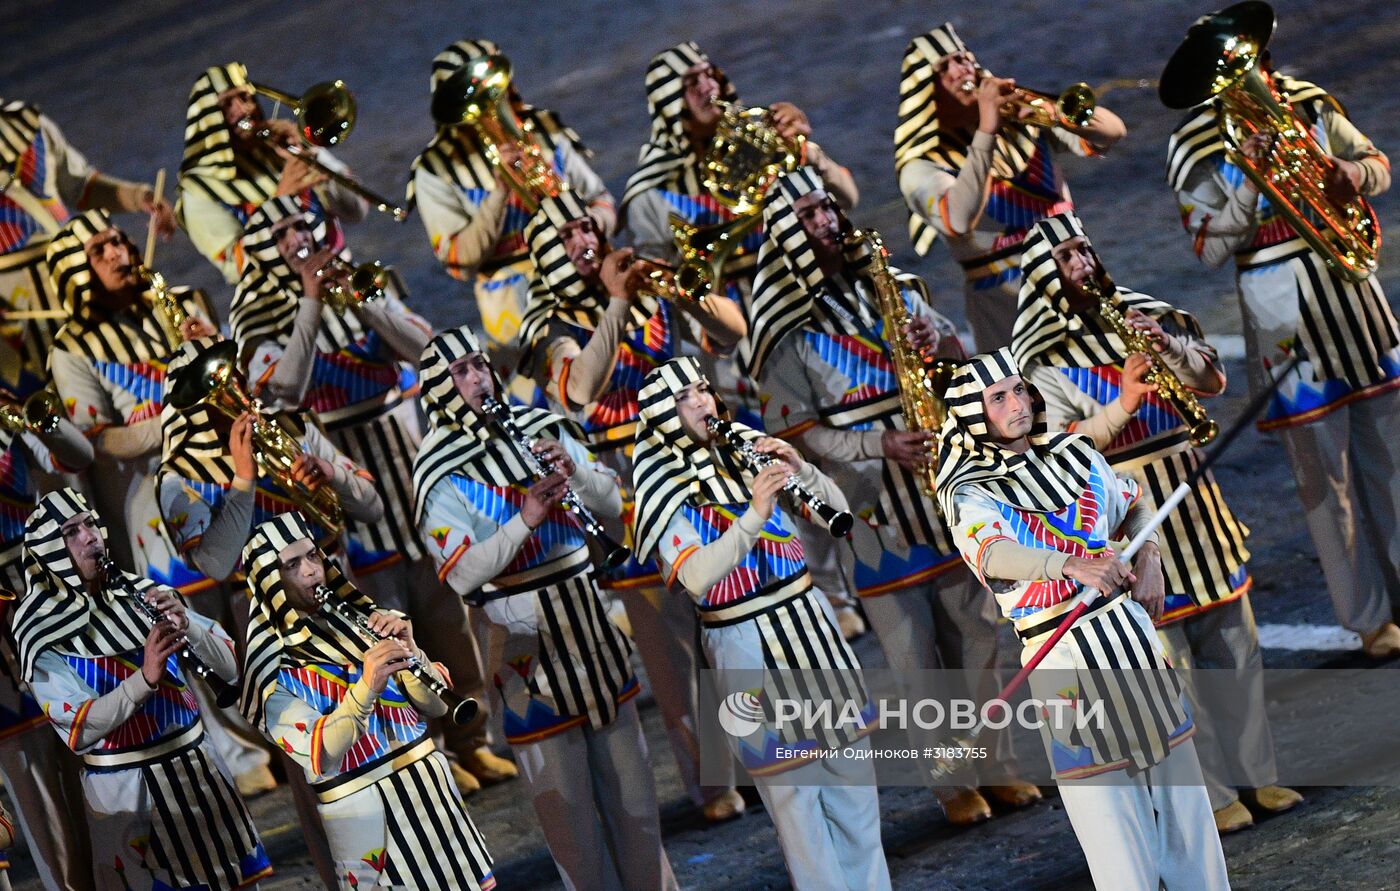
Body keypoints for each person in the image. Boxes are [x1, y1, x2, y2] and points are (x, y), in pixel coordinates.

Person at [747, 167, 1041, 824]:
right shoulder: (780, 329)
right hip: (872, 506)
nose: (825, 221)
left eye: (827, 207)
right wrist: (877, 445)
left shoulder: (894, 285)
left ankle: (996, 763)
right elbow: (791, 429)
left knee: (976, 632)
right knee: (912, 652)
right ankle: (950, 778)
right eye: (808, 215)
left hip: (942, 485)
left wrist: (936, 341)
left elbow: (959, 352)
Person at [1012, 210, 1302, 833]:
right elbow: (1056, 449)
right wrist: (1122, 402)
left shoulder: (1146, 314)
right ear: (1042, 275)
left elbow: (1213, 379)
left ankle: (1261, 774)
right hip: (1125, 519)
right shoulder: (1040, 364)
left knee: (1234, 647)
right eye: (1066, 259)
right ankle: (1215, 792)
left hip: (1197, 507)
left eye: (1085, 251)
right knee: (1168, 664)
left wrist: (1167, 347)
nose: (1083, 266)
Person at [229, 195, 511, 790]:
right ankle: (426, 749)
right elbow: (283, 388)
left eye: (298, 228)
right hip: (334, 471)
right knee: (382, 621)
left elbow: (426, 352)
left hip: (402, 460)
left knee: (449, 620)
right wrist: (310, 301)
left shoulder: (360, 280)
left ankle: (472, 738)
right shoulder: (254, 315)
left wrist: (364, 300)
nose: (294, 242)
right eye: (278, 234)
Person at [936, 348, 1229, 890]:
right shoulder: (967, 489)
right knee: (1113, 834)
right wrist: (1069, 563)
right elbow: (991, 554)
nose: (1016, 403)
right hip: (1063, 659)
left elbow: (1134, 501)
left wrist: (1151, 555)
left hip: (1133, 643)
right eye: (997, 397)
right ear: (975, 414)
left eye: (1018, 389)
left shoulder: (1074, 452)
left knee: (1188, 814)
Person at [412, 325, 676, 890]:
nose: (477, 378)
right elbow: (460, 572)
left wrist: (575, 468)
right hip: (525, 652)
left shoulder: (538, 425)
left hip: (591, 630)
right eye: (461, 372)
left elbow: (610, 499)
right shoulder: (437, 469)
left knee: (637, 807)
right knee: (574, 829)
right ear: (438, 388)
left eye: (480, 364)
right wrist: (525, 518)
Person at [1166, 40, 1400, 657]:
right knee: (1324, 474)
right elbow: (1211, 246)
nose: (1255, 80)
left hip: (1352, 289)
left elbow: (1376, 162)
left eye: (1256, 65)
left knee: (1391, 450)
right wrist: (1244, 176)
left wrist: (1355, 174)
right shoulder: (1195, 145)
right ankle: (1370, 617)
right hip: (1276, 301)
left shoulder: (1308, 104)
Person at [519, 191, 746, 821]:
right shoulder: (550, 325)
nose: (584, 241)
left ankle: (759, 752)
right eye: (567, 235)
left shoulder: (649, 285)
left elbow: (730, 332)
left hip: (700, 475)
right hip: (627, 494)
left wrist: (682, 292)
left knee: (731, 614)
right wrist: (619, 303)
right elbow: (579, 391)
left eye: (587, 226)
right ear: (547, 252)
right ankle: (713, 780)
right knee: (672, 647)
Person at [631, 357, 890, 891]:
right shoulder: (660, 483)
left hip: (811, 626)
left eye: (703, 388)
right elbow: (697, 576)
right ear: (661, 414)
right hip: (746, 643)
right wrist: (754, 511)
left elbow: (835, 514)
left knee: (858, 801)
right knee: (801, 818)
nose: (702, 401)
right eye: (685, 398)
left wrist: (803, 469)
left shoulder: (742, 444)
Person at [14, 488, 271, 890]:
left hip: (202, 776)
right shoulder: (39, 632)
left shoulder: (140, 590)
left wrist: (188, 624)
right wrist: (144, 678)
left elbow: (233, 668)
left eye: (89, 524)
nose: (90, 537)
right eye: (71, 532)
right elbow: (78, 730)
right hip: (130, 798)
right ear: (48, 551)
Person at [240, 512, 496, 890]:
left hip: (433, 799)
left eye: (313, 556)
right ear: (268, 582)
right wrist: (366, 686)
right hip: (369, 825)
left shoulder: (369, 619)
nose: (312, 571)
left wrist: (413, 653)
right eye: (292, 565)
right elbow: (319, 754)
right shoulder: (270, 669)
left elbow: (435, 707)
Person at [894, 24, 1125, 351]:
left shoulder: (1020, 121)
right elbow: (958, 219)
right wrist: (987, 129)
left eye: (963, 58)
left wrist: (1053, 113)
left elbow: (1113, 132)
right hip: (1007, 307)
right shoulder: (920, 166)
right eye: (945, 66)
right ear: (925, 89)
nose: (961, 69)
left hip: (1077, 277)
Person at [409, 39, 615, 393]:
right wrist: (500, 192)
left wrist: (579, 224)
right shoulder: (435, 170)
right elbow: (458, 260)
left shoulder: (544, 130)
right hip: (516, 315)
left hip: (592, 286)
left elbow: (604, 202)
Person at [0, 340, 94, 891]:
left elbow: (76, 459)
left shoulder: (8, 414)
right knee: (27, 765)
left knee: (78, 742)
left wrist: (45, 423)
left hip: (39, 596)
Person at [0, 97, 175, 375]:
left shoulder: (30, 126)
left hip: (86, 276)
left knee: (132, 363)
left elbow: (79, 185)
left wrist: (138, 197)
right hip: (17, 306)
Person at [177, 63, 368, 284]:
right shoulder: (198, 191)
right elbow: (236, 269)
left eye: (245, 98)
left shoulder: (278, 150)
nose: (243, 110)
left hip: (345, 277)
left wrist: (309, 153)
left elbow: (356, 211)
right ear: (207, 118)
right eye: (227, 104)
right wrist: (280, 202)